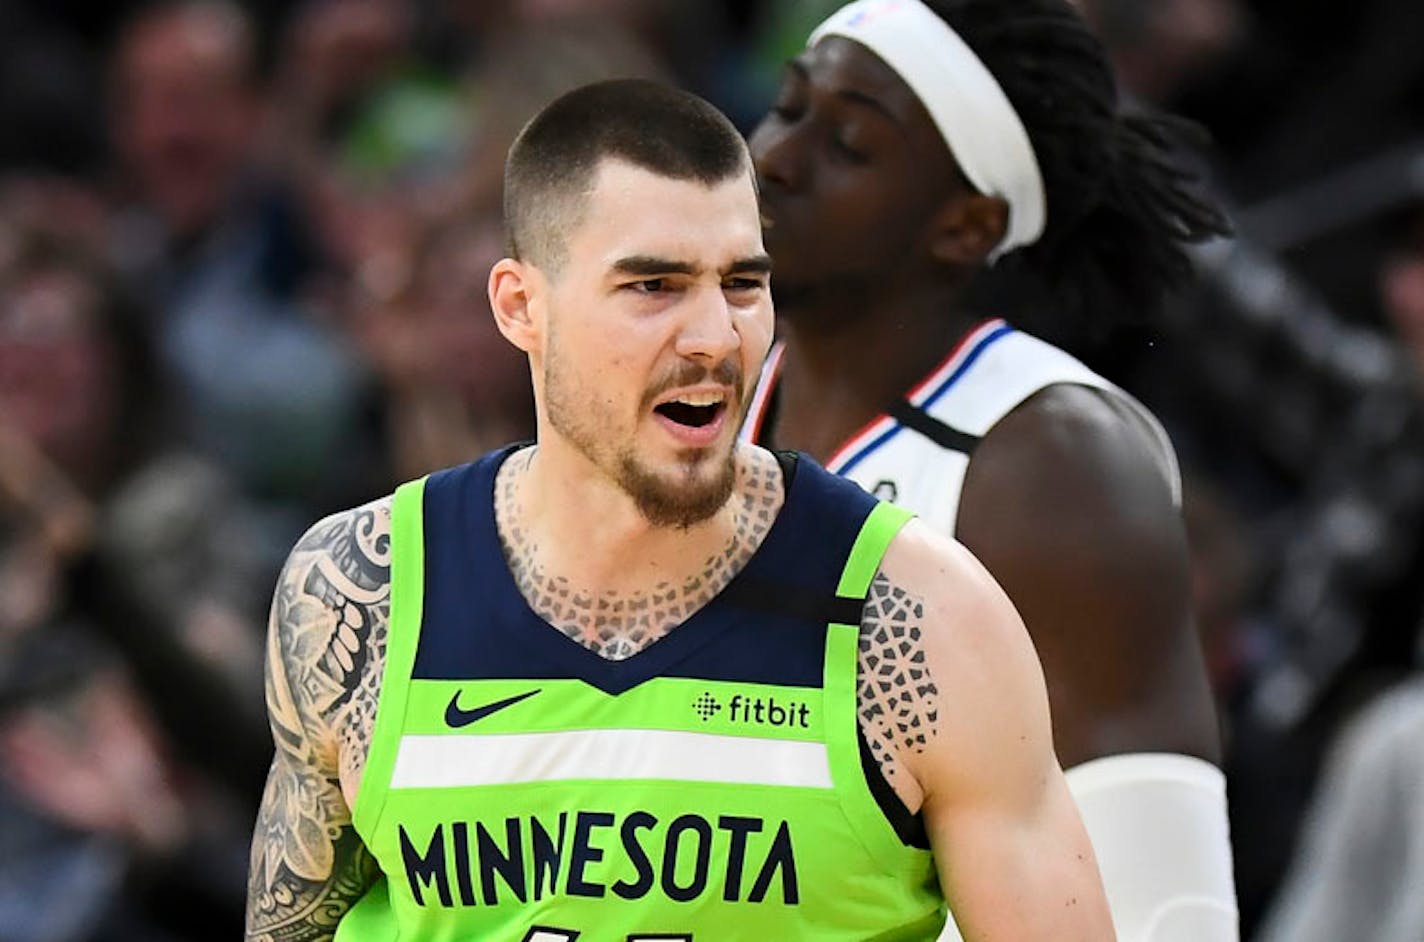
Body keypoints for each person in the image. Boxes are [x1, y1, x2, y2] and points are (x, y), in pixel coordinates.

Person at [244, 78, 1113, 940]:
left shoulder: (920, 621)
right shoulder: (365, 594)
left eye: (741, 284)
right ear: (521, 307)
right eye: (654, 286)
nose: (713, 337)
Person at [742, 1, 1236, 939]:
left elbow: (1162, 905)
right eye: (789, 104)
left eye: (846, 142)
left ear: (967, 224)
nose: (773, 155)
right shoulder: (698, 405)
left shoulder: (1053, 464)